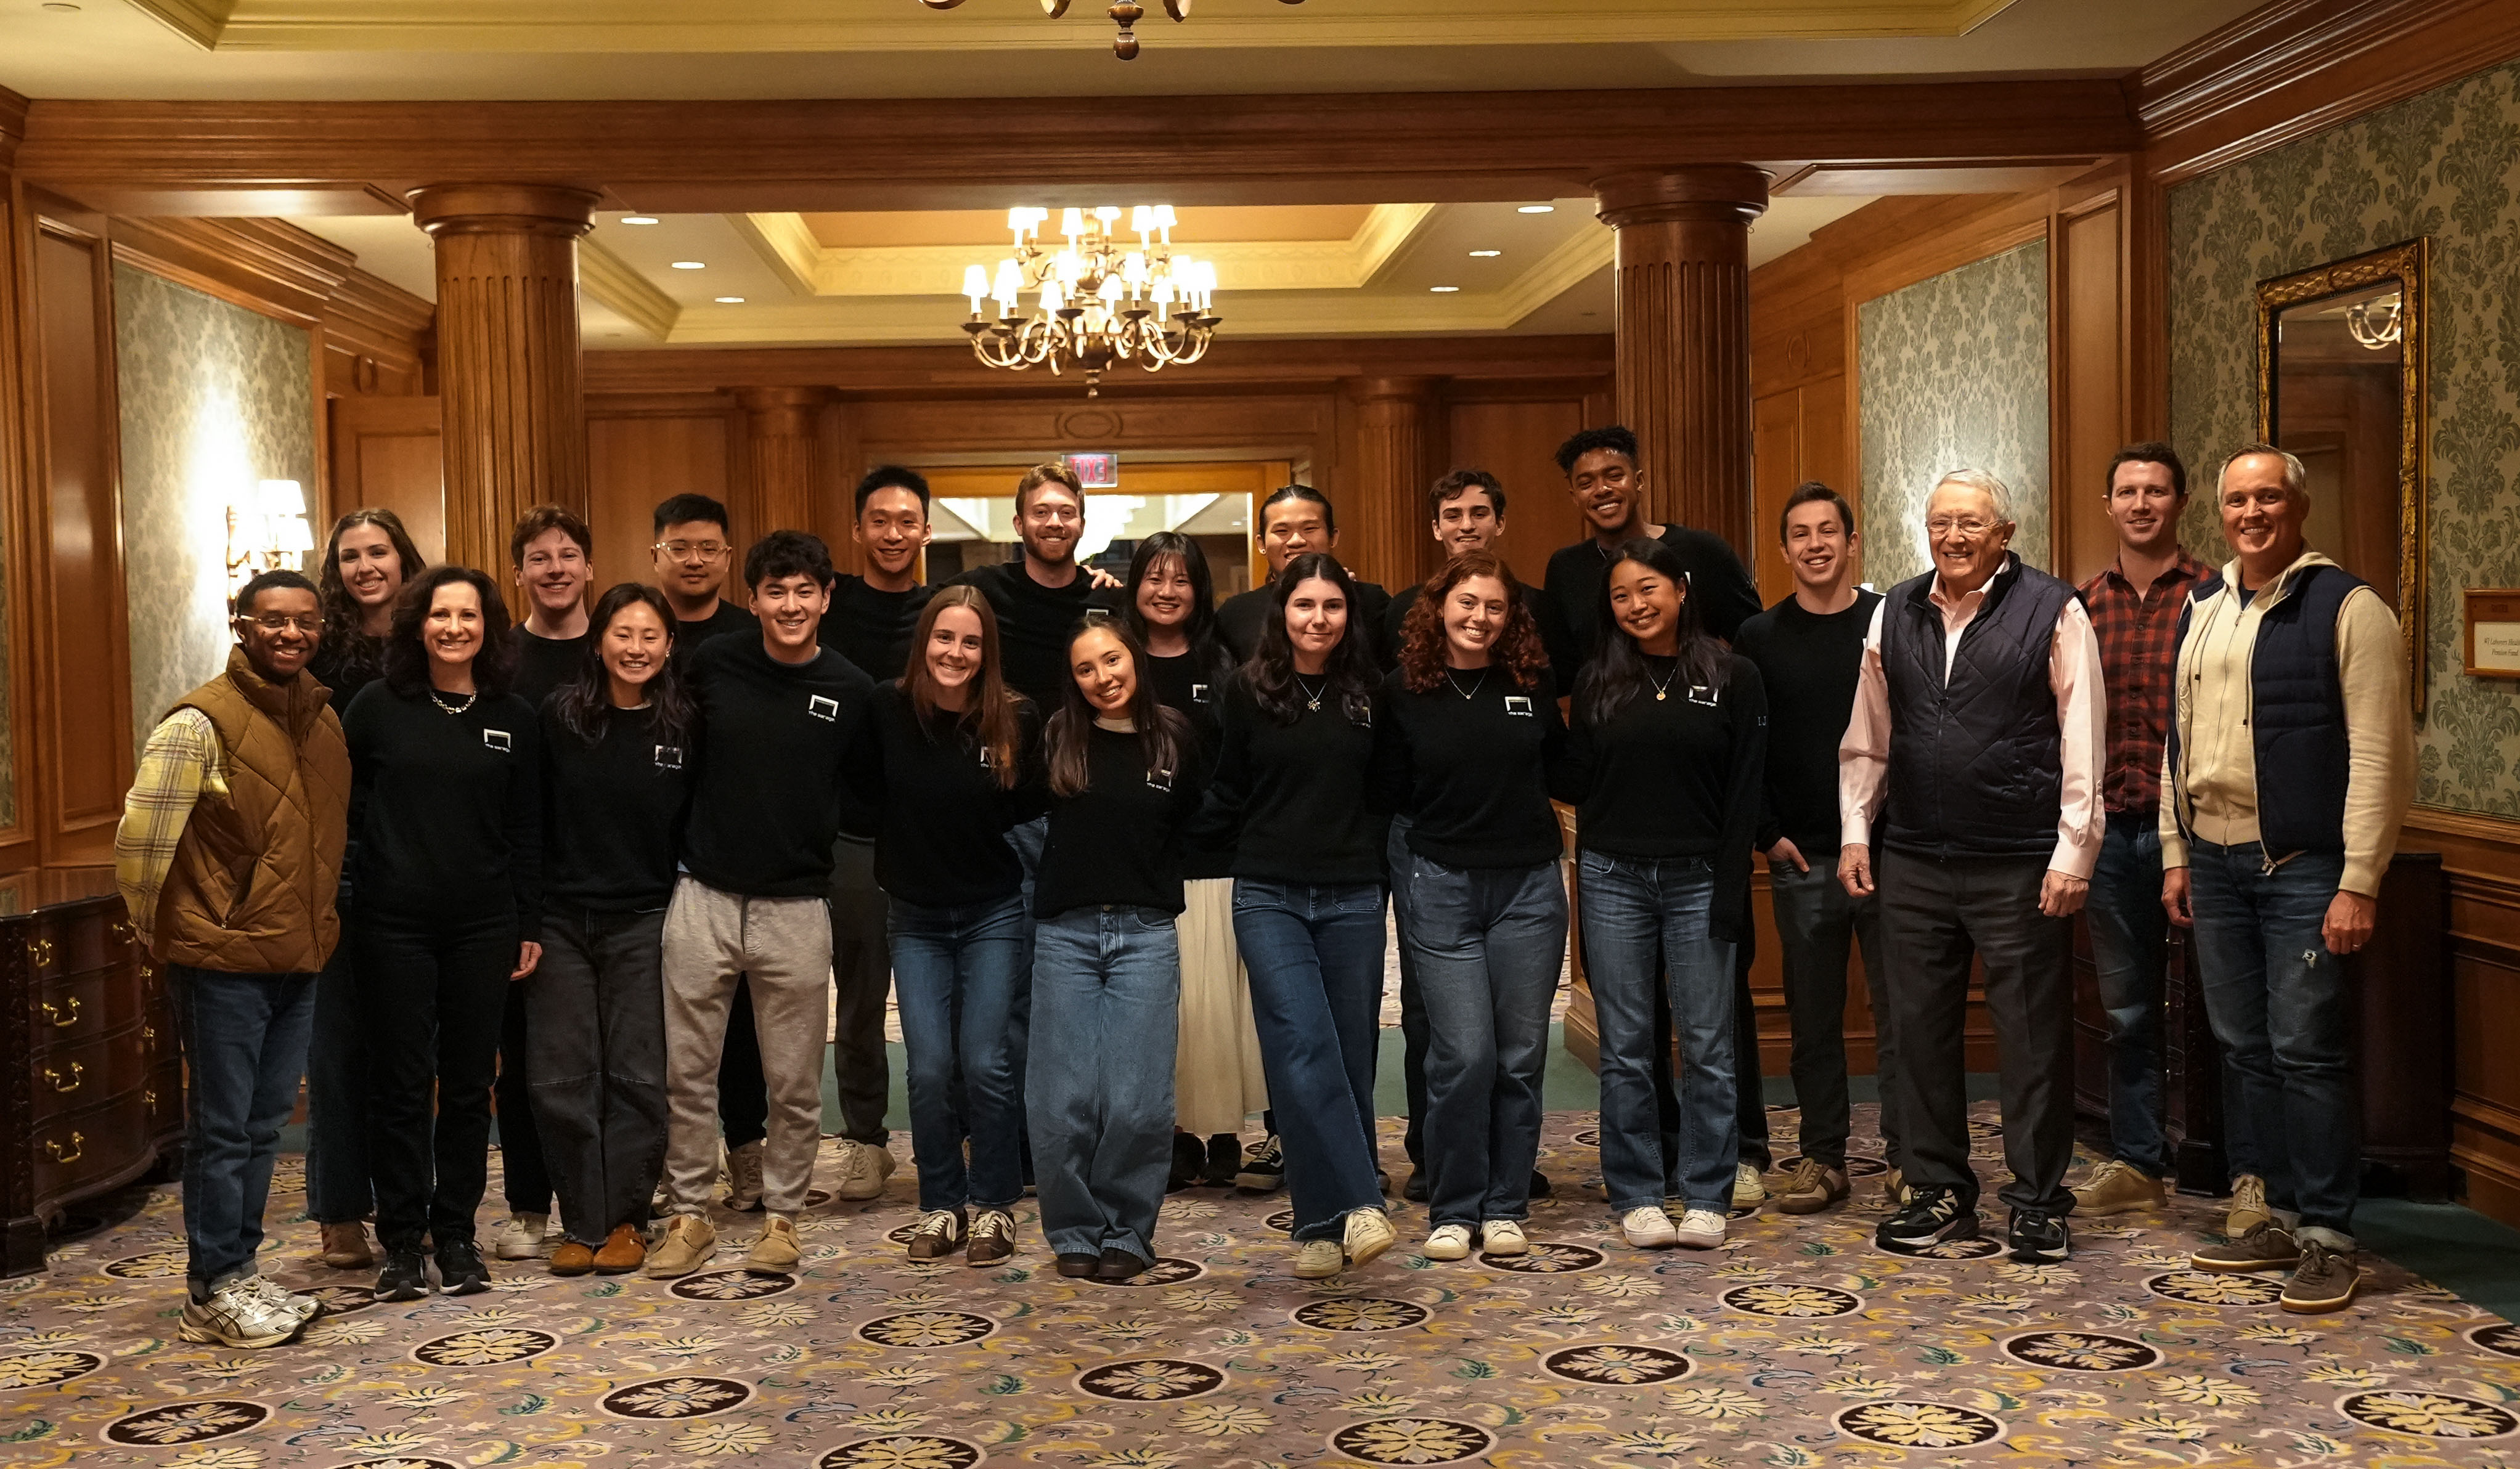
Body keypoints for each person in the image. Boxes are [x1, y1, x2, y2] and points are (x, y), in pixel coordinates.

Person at [2167, 445, 2414, 1314]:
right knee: (2243, 1049)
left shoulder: (2348, 607)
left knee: (2306, 1050)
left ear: (2298, 509)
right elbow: (2180, 741)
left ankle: (2327, 1235)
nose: (2250, 513)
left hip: (2304, 869)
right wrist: (2176, 851)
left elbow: (2382, 755)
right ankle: (2267, 1212)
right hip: (2215, 859)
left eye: (2267, 497)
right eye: (2237, 499)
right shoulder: (2205, 607)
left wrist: (2360, 880)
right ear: (2220, 513)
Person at [1840, 470, 2103, 1264]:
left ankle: (2037, 1200)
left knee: (2031, 1037)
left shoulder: (2054, 608)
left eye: (1970, 524)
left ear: (2005, 533)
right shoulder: (1896, 608)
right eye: (1940, 522)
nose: (1952, 537)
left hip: (2020, 861)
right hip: (1915, 855)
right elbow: (1868, 735)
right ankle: (1938, 1190)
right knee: (1917, 1032)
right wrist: (1857, 831)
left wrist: (2074, 851)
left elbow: (2081, 733)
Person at [1538, 425, 1771, 1205]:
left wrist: (1741, 872)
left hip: (1703, 868)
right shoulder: (1598, 678)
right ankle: (1638, 1187)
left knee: (1709, 1039)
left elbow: (1743, 780)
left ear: (1681, 590)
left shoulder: (1731, 674)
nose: (1637, 603)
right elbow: (1573, 764)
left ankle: (1715, 1180)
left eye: (1652, 590)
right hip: (1613, 872)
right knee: (1628, 1043)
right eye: (1622, 595)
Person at [114, 568, 347, 1347]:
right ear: (241, 623)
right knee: (222, 1130)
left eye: (305, 621)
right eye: (274, 619)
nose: (291, 633)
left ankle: (240, 1274)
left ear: (322, 629)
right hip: (220, 967)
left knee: (261, 1126)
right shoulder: (197, 722)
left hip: (296, 957)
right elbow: (142, 847)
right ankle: (210, 1287)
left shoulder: (322, 719)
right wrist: (172, 934)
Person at [648, 531, 878, 1279]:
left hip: (797, 906)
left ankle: (782, 1216)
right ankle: (689, 1213)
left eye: (804, 590)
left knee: (795, 1079)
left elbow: (868, 790)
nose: (790, 603)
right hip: (704, 893)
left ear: (826, 597)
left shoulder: (849, 688)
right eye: (775, 590)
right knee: (688, 1070)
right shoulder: (713, 662)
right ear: (754, 599)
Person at [345, 565, 543, 1300]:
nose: (454, 626)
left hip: (483, 925)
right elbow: (347, 810)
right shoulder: (376, 706)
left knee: (469, 1085)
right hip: (391, 923)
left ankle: (455, 1233)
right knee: (398, 1084)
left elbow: (526, 830)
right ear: (417, 625)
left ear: (488, 626)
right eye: (439, 614)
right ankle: (401, 1240)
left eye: (468, 614)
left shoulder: (514, 716)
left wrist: (528, 918)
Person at [1197, 551, 1398, 1277]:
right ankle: (1358, 1198)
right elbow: (1228, 787)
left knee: (1349, 1055)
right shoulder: (1249, 690)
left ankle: (1319, 1223)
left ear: (1350, 615)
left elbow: (1386, 793)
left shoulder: (1372, 693)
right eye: (1304, 604)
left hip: (1351, 893)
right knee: (1299, 1043)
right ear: (1280, 611)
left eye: (1333, 606)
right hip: (1269, 892)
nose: (1319, 618)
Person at [1381, 551, 1567, 1262]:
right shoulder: (1403, 690)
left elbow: (1566, 765)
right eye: (1467, 603)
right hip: (1440, 886)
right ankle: (1455, 1204)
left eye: (1494, 606)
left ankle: (1506, 1203)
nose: (1479, 618)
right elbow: (1388, 790)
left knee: (1520, 1056)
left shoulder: (1529, 681)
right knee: (1464, 1053)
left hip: (1528, 888)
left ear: (1509, 616)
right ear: (1438, 608)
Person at [1732, 483, 1896, 1216]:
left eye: (1829, 530)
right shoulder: (1759, 637)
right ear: (1784, 549)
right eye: (1800, 533)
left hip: (1893, 854)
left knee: (1903, 1015)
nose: (1816, 544)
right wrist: (1769, 833)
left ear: (1853, 541)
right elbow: (1748, 750)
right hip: (1803, 858)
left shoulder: (1891, 621)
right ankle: (1824, 1156)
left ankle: (1911, 1157)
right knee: (1813, 1021)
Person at [1029, 616, 1203, 1281]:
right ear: (1072, 680)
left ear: (1133, 656)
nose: (1103, 677)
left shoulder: (1174, 737)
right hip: (1067, 933)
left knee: (1139, 1100)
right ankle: (1074, 1225)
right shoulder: (1059, 737)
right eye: (1085, 668)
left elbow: (1194, 819)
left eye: (1111, 660)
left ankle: (1128, 1229)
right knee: (1063, 1097)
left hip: (1146, 932)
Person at [529, 584, 695, 1277]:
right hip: (562, 919)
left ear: (669, 645)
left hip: (646, 917)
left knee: (636, 1074)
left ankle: (625, 1218)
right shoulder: (560, 716)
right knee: (561, 1075)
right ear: (599, 641)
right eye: (623, 633)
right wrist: (529, 916)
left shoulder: (683, 724)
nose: (636, 648)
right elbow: (531, 820)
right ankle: (582, 1221)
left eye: (650, 635)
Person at [2069, 445, 2211, 1219]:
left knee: (2223, 1010)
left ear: (2180, 501)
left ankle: (2239, 1168)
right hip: (2115, 831)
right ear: (2109, 502)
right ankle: (2138, 1160)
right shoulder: (2081, 604)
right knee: (2128, 1011)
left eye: (2156, 490)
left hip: (2201, 834)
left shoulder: (2216, 597)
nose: (2141, 502)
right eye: (2127, 490)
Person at [876, 587, 1039, 1266]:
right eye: (945, 638)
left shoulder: (1013, 717)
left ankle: (995, 1203)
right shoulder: (887, 709)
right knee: (930, 1067)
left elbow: (1030, 808)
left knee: (986, 1061)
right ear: (924, 642)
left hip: (992, 913)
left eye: (971, 642)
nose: (956, 652)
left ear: (987, 652)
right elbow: (859, 791)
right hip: (914, 916)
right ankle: (942, 1203)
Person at [812, 465, 945, 1205]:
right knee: (860, 1000)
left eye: (908, 521)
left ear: (926, 530)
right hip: (854, 835)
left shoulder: (952, 606)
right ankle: (865, 1140)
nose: (894, 534)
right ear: (859, 529)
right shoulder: (829, 605)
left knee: (944, 1000)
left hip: (937, 836)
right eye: (880, 521)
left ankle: (947, 1132)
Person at [1126, 531, 1268, 1190]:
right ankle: (1173, 1130)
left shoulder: (1225, 664)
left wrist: (1208, 814)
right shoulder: (1118, 661)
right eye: (1154, 577)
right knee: (1164, 1003)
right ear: (1134, 586)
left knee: (1217, 1001)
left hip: (1216, 852)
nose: (1166, 590)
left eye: (1180, 579)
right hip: (1142, 855)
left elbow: (1240, 760)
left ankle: (1223, 1133)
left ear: (1199, 589)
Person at [303, 508, 424, 1272]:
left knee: (408, 1049)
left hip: (416, 860)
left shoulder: (438, 641)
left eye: (378, 551)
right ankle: (341, 1211)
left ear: (404, 559)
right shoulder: (316, 651)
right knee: (338, 1044)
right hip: (335, 862)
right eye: (350, 555)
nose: (366, 566)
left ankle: (409, 1204)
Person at [648, 492, 772, 1211]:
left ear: (729, 557)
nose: (694, 559)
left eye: (708, 548)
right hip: (653, 848)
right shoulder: (637, 626)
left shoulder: (749, 633)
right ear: (655, 553)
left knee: (748, 1022)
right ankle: (676, 1160)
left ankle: (749, 1149)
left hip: (735, 850)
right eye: (679, 547)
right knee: (677, 1022)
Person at [488, 504, 594, 1264]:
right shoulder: (499, 661)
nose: (554, 568)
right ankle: (529, 1204)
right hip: (520, 888)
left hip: (614, 884)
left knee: (615, 1051)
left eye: (567, 555)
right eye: (539, 557)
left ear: (589, 567)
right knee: (523, 1058)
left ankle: (613, 1193)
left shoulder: (622, 645)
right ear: (519, 572)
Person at [948, 462, 1120, 709]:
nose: (1054, 522)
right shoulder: (985, 587)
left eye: (1067, 513)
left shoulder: (1107, 596)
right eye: (1041, 512)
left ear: (1081, 525)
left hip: (1087, 744)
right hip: (1007, 742)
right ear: (1019, 524)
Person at [1217, 484, 1395, 669]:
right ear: (1261, 543)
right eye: (1282, 531)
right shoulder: (1236, 613)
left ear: (1333, 537)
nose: (1296, 541)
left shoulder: (1373, 603)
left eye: (1309, 529)